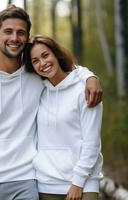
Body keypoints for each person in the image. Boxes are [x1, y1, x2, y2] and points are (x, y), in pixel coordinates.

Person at [0, 5, 103, 200]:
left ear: (27, 37)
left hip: (28, 179)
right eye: (8, 31)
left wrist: (91, 76)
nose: (14, 38)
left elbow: (66, 70)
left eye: (20, 32)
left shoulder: (35, 76)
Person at [24, 35, 103, 200]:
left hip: (84, 181)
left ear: (56, 54)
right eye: (35, 60)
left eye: (45, 55)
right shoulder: (37, 91)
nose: (43, 63)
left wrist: (78, 182)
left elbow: (92, 143)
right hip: (46, 182)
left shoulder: (85, 91)